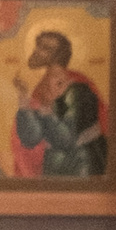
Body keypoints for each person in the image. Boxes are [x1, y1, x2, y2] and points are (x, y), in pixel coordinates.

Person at [13, 26, 107, 178]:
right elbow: (31, 138)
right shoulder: (40, 89)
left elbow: (66, 139)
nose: (36, 51)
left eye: (45, 48)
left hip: (81, 167)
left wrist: (46, 110)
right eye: (38, 45)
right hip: (52, 167)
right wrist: (24, 99)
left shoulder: (78, 88)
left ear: (57, 55)